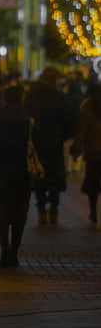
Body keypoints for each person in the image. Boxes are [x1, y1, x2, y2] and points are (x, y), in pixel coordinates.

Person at [0, 86, 38, 268]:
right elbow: (35, 149)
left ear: (4, 101)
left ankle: (5, 250)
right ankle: (14, 252)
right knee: (19, 213)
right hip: (22, 174)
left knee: (1, 213)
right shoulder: (28, 123)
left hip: (1, 172)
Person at [24, 66, 73, 225]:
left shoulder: (32, 95)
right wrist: (63, 135)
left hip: (37, 141)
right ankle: (54, 209)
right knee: (54, 177)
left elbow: (26, 116)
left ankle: (41, 210)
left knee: (39, 174)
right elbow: (67, 120)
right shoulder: (59, 96)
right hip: (54, 141)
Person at [70, 82, 101, 224]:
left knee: (93, 184)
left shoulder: (87, 110)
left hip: (94, 153)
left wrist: (76, 150)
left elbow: (81, 132)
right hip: (94, 152)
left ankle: (93, 211)